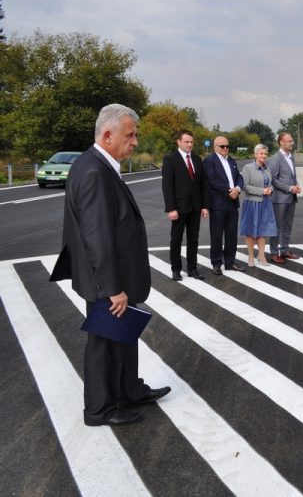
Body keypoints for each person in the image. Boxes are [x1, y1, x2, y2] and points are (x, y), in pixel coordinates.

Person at [50, 104, 171, 427]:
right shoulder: (92, 171)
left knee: (123, 336)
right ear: (107, 135)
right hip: (106, 278)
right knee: (104, 342)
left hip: (115, 275)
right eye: (130, 135)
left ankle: (128, 390)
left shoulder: (98, 166)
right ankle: (99, 409)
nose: (135, 142)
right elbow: (96, 236)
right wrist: (112, 288)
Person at [161, 129, 209, 281]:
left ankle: (192, 269)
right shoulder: (170, 159)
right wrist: (170, 208)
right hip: (178, 208)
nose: (189, 144)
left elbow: (203, 184)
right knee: (176, 239)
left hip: (195, 207)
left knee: (193, 239)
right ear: (179, 142)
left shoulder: (196, 159)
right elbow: (167, 186)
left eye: (191, 142)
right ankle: (176, 269)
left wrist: (204, 206)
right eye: (186, 142)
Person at [204, 136, 247, 275]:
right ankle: (216, 263)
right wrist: (229, 191)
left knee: (231, 235)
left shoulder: (231, 160)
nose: (225, 149)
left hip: (232, 203)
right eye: (222, 146)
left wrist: (238, 189)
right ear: (215, 147)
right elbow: (212, 180)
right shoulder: (210, 161)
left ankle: (230, 262)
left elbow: (239, 178)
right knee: (216, 235)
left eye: (227, 146)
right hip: (218, 203)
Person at [240, 144, 278, 267]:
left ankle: (261, 255)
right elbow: (245, 186)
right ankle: (251, 256)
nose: (264, 156)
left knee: (262, 231)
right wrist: (262, 191)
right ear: (255, 154)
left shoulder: (267, 169)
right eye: (261, 153)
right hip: (252, 203)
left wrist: (270, 190)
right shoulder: (248, 168)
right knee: (250, 231)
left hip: (265, 203)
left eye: (265, 154)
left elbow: (270, 184)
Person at [268, 132, 302, 263]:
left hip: (291, 198)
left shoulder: (291, 157)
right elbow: (274, 179)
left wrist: (296, 185)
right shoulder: (276, 158)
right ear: (281, 142)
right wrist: (289, 188)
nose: (292, 143)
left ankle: (284, 250)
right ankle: (273, 252)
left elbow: (292, 176)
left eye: (292, 140)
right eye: (289, 141)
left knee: (288, 225)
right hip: (279, 199)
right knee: (276, 226)